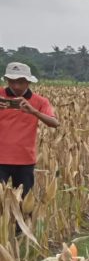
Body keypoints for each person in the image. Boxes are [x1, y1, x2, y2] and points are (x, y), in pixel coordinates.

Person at [0, 62, 60, 197]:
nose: (16, 86)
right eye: (12, 81)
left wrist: (34, 112)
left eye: (21, 82)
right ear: (7, 80)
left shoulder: (40, 101)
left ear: (28, 82)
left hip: (24, 160)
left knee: (24, 203)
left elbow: (55, 123)